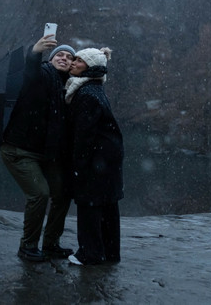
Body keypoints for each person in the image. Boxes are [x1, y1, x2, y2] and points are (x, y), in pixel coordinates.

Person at [0, 34, 76, 262]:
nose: (63, 58)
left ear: (73, 64)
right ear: (51, 59)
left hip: (44, 153)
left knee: (63, 193)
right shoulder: (43, 74)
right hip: (19, 149)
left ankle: (51, 244)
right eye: (59, 55)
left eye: (69, 57)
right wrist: (35, 52)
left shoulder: (68, 86)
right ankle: (28, 246)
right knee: (40, 193)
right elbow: (31, 71)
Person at [64, 47, 124, 266]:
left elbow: (84, 136)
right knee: (108, 206)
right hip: (108, 159)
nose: (72, 63)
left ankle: (90, 254)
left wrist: (78, 166)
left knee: (89, 205)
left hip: (96, 161)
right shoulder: (95, 89)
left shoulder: (86, 95)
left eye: (78, 60)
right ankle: (110, 253)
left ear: (89, 67)